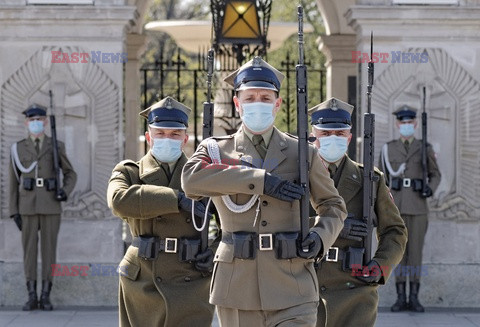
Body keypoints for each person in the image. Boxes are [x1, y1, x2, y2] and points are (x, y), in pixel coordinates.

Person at [181, 57, 347, 327]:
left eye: (265, 97)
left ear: (277, 103)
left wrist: (319, 238)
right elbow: (190, 181)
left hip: (293, 284)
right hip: (237, 288)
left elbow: (333, 205)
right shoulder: (216, 150)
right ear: (238, 103)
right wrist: (260, 180)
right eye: (250, 97)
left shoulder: (302, 153)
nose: (258, 102)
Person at [107, 96, 215, 327]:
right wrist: (176, 199)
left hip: (191, 277)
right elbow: (118, 201)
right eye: (161, 133)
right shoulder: (129, 171)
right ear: (149, 137)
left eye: (175, 134)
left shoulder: (202, 175)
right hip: (143, 278)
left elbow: (228, 219)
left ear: (185, 139)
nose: (168, 139)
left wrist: (214, 252)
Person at [309, 98, 407, 326]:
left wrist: (381, 265)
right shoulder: (297, 176)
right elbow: (281, 224)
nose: (334, 139)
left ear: (350, 137)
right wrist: (333, 226)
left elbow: (395, 230)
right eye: (325, 134)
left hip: (354, 291)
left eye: (341, 134)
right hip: (305, 287)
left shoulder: (370, 179)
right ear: (313, 137)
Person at [9, 104, 77, 311]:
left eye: (39, 119)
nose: (35, 123)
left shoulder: (56, 145)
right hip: (27, 206)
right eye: (31, 120)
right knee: (29, 252)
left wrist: (64, 191)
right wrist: (14, 211)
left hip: (50, 205)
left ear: (45, 122)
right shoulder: (18, 148)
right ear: (26, 123)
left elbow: (70, 173)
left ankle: (46, 295)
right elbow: (13, 182)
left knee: (49, 251)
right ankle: (31, 295)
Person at [379, 105, 441, 312]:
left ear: (415, 124)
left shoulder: (425, 148)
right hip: (396, 206)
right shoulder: (389, 148)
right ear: (397, 124)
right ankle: (400, 297)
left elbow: (435, 174)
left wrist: (428, 189)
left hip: (418, 206)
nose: (406, 125)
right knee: (399, 252)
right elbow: (381, 179)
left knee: (415, 253)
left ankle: (413, 297)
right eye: (402, 122)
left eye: (409, 122)